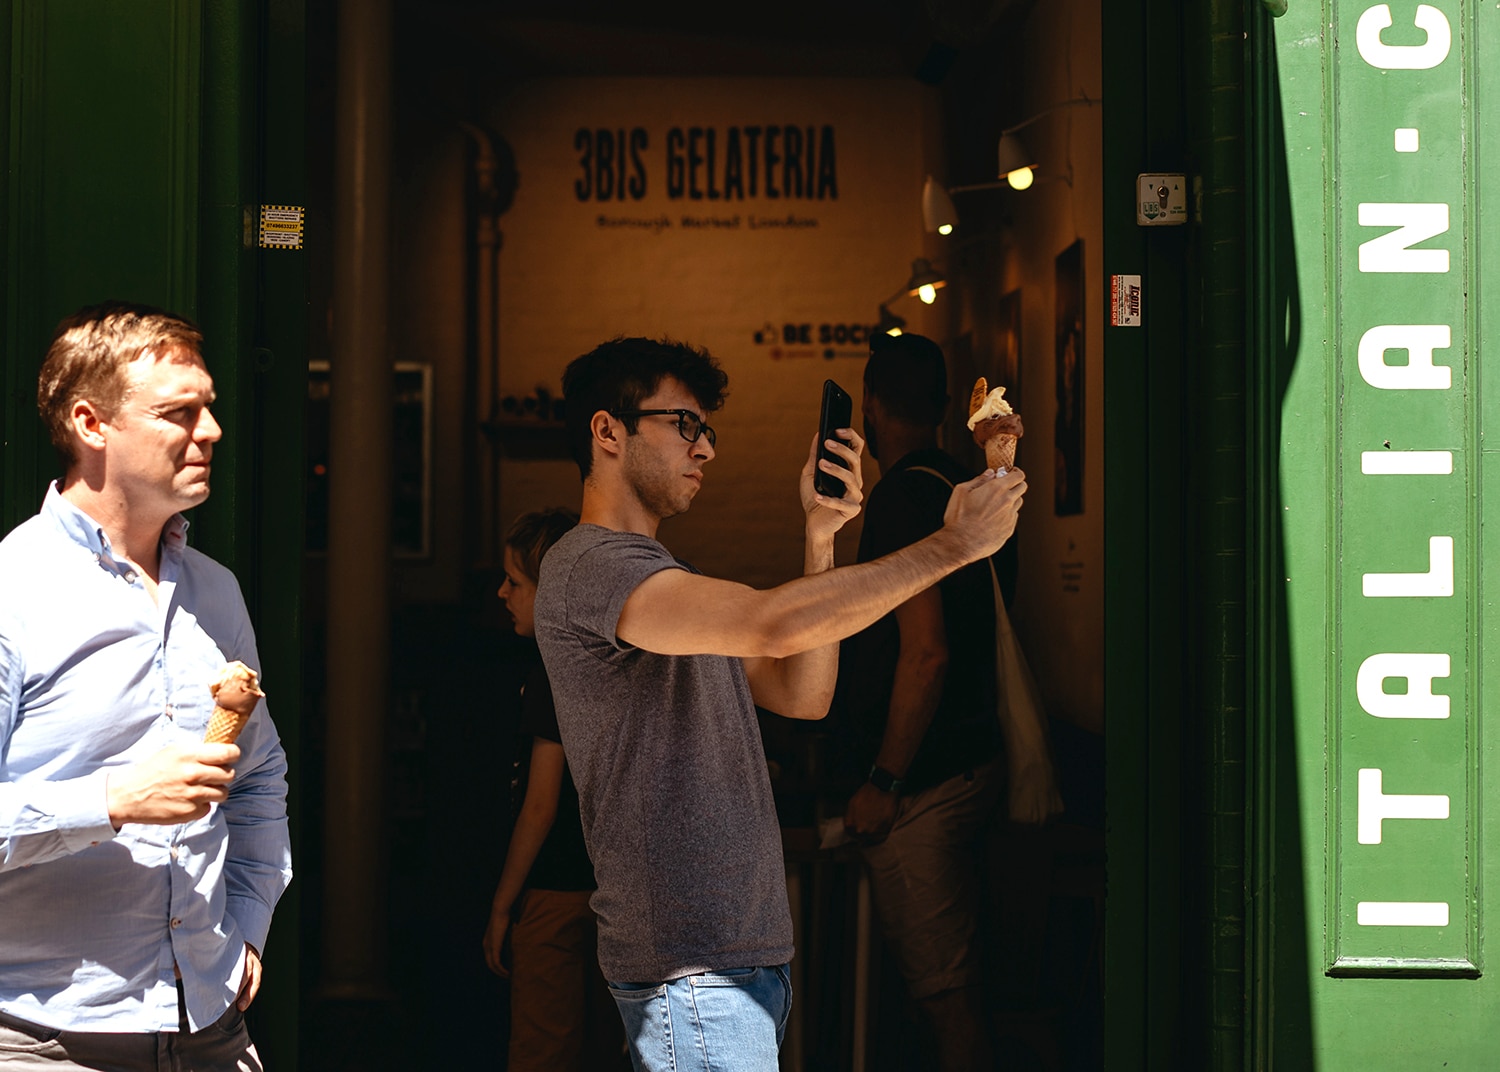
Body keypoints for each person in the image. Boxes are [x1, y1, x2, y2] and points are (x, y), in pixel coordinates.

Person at [532, 336, 1027, 1072]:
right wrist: (953, 545)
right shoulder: (591, 567)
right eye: (686, 426)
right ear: (608, 431)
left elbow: (804, 694)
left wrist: (820, 537)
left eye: (709, 431)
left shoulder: (669, 580)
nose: (705, 450)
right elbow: (772, 622)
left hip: (736, 960)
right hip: (689, 968)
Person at [0, 302, 292, 1071]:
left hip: (211, 1029)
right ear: (91, 424)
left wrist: (248, 926)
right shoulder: (13, 591)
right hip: (46, 1041)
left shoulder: (216, 592)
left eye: (211, 408)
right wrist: (110, 802)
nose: (212, 431)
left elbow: (260, 782)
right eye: (179, 412)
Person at [840, 331, 1037, 1069]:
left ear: (872, 407)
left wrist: (884, 781)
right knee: (952, 987)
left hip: (921, 783)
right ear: (946, 404)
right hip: (970, 760)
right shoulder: (967, 487)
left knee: (943, 999)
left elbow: (925, 654)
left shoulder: (901, 500)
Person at [482, 507, 625, 1071]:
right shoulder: (610, 661)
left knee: (544, 1051)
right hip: (616, 890)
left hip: (555, 894)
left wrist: (502, 905)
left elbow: (540, 806)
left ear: (554, 590)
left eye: (515, 581)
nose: (501, 592)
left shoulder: (552, 670)